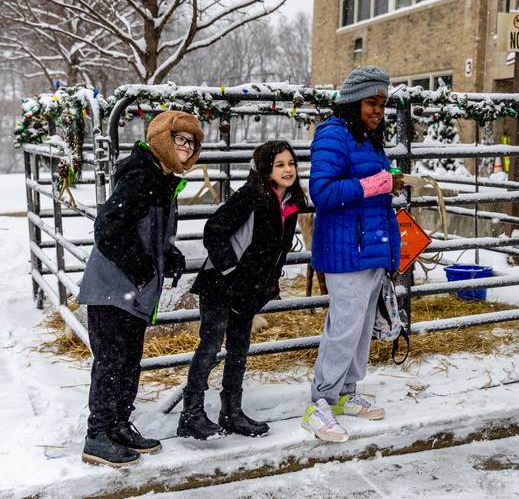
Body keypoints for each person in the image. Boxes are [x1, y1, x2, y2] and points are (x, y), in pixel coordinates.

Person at [77, 110, 203, 467]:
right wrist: (143, 267)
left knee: (128, 361)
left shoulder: (161, 179)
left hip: (130, 290)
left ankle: (117, 425)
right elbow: (108, 229)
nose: (187, 147)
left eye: (192, 142)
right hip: (114, 288)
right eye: (180, 139)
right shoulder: (140, 177)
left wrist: (168, 254)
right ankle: (97, 434)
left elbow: (147, 230)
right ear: (163, 139)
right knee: (112, 361)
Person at [302, 66, 403, 442]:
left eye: (382, 103)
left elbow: (373, 194)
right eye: (371, 103)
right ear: (352, 102)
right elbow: (322, 191)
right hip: (346, 248)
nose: (378, 110)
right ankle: (320, 402)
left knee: (361, 328)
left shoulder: (368, 139)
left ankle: (346, 393)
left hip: (371, 246)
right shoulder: (333, 135)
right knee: (344, 326)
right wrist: (377, 183)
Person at [178, 140, 305, 440]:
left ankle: (231, 411)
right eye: (280, 165)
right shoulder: (250, 196)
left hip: (249, 291)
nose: (288, 170)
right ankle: (191, 413)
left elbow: (277, 251)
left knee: (238, 350)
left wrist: (269, 284)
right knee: (209, 347)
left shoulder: (290, 203)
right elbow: (214, 229)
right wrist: (231, 270)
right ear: (265, 169)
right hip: (221, 285)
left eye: (291, 163)